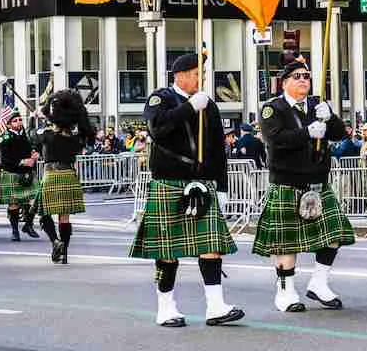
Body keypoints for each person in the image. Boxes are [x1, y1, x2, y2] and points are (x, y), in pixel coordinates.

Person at [128, 52, 244, 327]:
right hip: (169, 182)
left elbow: (218, 149)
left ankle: (216, 306)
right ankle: (166, 307)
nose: (200, 79)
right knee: (167, 251)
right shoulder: (161, 98)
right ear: (179, 75)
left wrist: (223, 187)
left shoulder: (209, 104)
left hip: (202, 183)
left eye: (201, 74)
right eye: (196, 74)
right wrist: (189, 108)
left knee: (211, 246)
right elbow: (158, 128)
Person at [253, 55, 355, 312]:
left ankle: (319, 282)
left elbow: (341, 134)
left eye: (307, 76)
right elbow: (275, 139)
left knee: (335, 235)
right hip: (289, 181)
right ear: (284, 82)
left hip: (318, 181)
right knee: (287, 242)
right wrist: (307, 132)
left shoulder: (317, 105)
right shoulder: (273, 108)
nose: (304, 80)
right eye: (297, 76)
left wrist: (330, 118)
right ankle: (285, 291)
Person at [35, 90, 94, 264]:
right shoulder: (77, 139)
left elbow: (32, 135)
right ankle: (65, 252)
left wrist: (35, 117)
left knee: (44, 213)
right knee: (64, 217)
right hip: (69, 175)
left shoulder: (47, 135)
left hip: (52, 175)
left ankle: (55, 241)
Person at [0, 111, 41, 241]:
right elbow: (4, 158)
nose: (19, 122)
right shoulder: (4, 137)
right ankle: (15, 231)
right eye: (15, 121)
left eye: (20, 119)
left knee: (35, 200)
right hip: (12, 172)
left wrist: (34, 154)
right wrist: (22, 161)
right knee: (14, 204)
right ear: (9, 125)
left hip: (27, 173)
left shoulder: (24, 136)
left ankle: (28, 224)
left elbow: (32, 145)